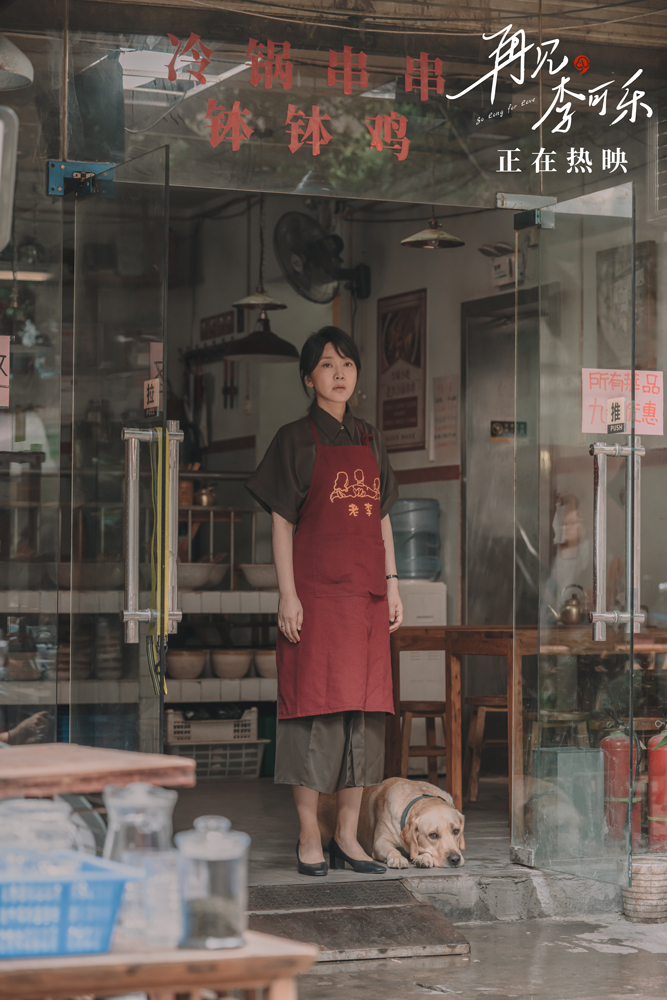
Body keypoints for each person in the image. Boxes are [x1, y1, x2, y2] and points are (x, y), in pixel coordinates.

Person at [246, 326, 403, 875]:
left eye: (348, 365)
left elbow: (381, 517)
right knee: (311, 714)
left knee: (365, 716)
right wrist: (287, 594)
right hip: (314, 600)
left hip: (365, 600)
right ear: (308, 377)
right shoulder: (293, 439)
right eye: (328, 365)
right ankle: (309, 835)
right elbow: (281, 521)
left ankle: (347, 835)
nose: (339, 374)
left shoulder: (370, 437)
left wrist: (395, 582)